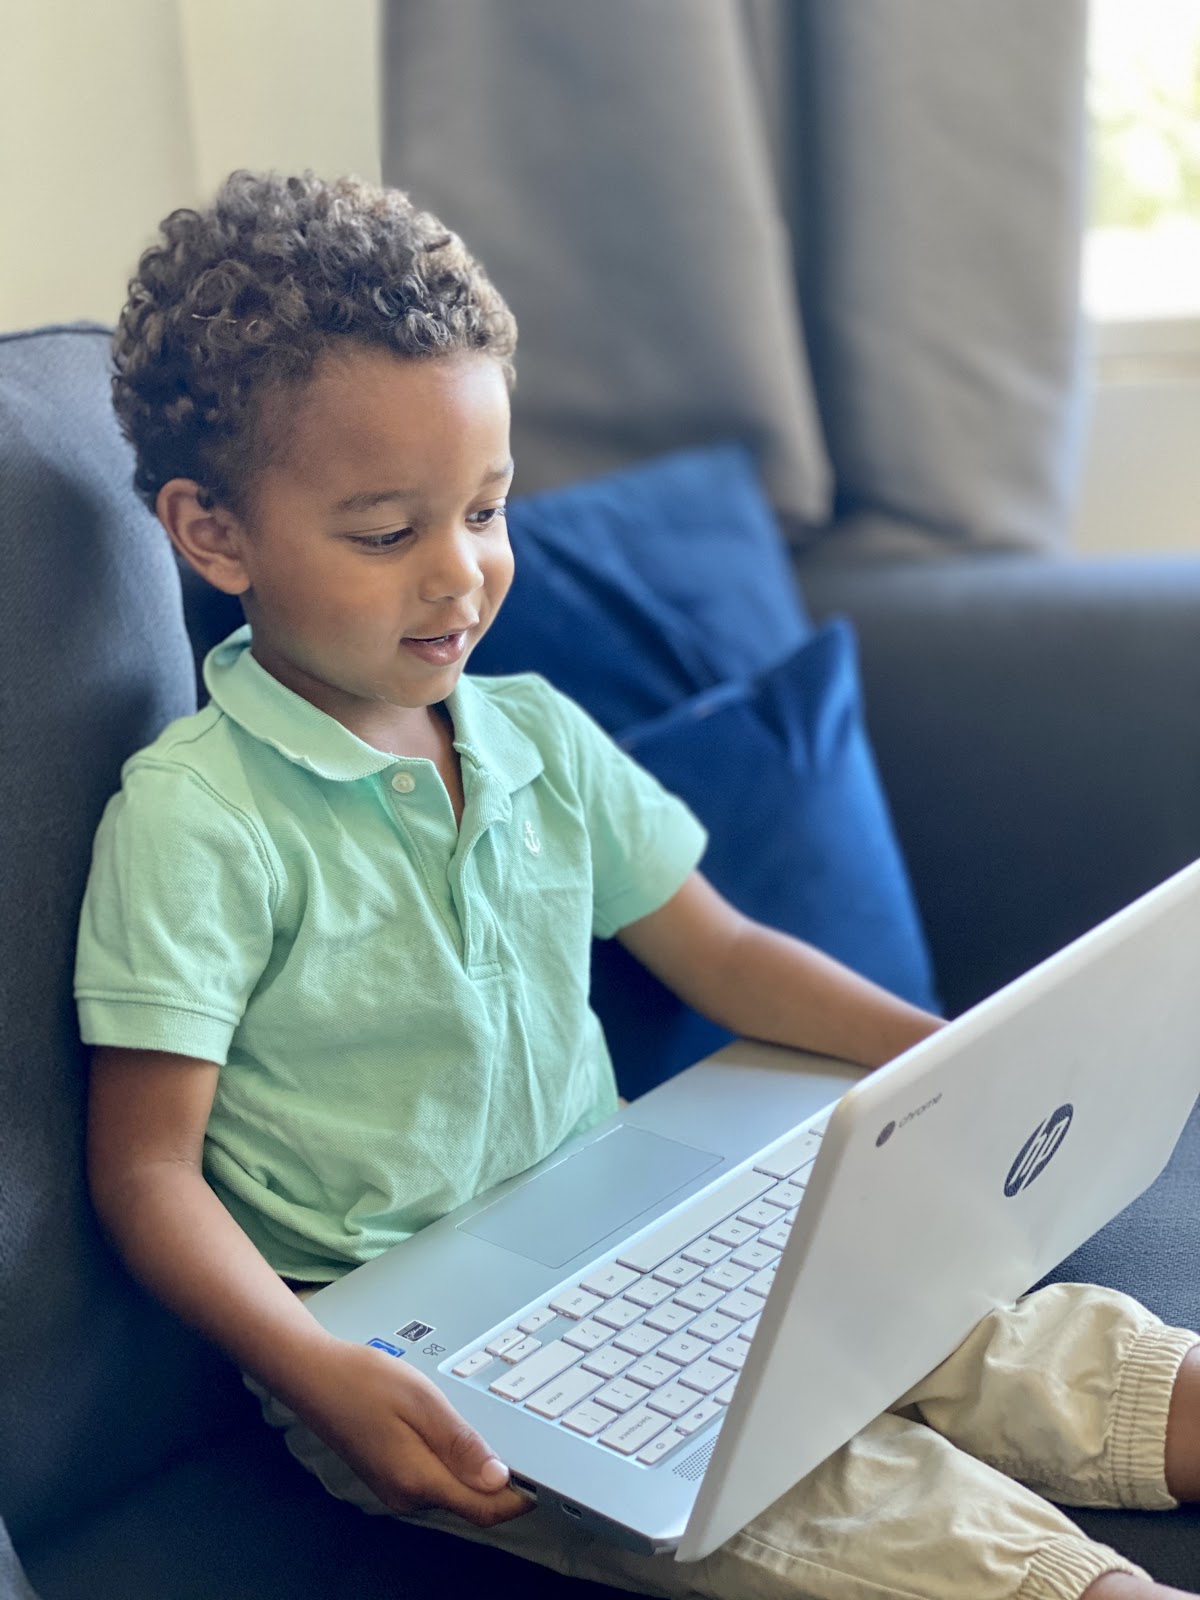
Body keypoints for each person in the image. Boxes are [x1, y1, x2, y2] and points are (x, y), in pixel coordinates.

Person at [75, 170, 1200, 1600]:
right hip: (412, 1349)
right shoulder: (196, 817)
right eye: (386, 532)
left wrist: (951, 1068)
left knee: (996, 1325)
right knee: (849, 1506)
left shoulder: (531, 730)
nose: (460, 578)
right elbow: (148, 1169)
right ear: (212, 534)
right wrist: (316, 1368)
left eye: (486, 510)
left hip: (627, 1215)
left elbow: (721, 952)